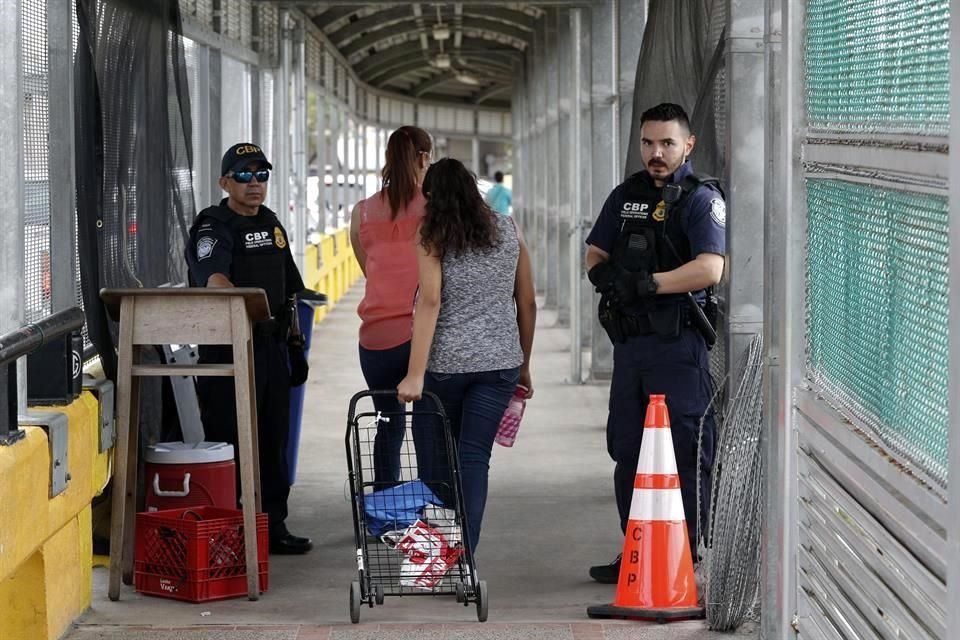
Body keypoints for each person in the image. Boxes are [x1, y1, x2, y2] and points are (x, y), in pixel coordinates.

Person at [584, 103, 725, 583]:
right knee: (629, 451)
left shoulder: (700, 199)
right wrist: (609, 277)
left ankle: (688, 558)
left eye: (666, 143)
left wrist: (649, 284)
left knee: (685, 450)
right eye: (648, 143)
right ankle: (638, 554)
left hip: (678, 345)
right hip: (632, 348)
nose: (656, 152)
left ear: (688, 145)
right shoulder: (627, 195)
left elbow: (710, 268)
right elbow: (595, 252)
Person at [397, 158, 537, 553]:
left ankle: (439, 551)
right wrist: (523, 363)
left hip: (445, 368)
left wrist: (415, 374)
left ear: (432, 198)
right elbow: (526, 302)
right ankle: (466, 558)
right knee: (474, 457)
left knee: (434, 460)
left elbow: (431, 301)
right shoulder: (509, 229)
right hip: (499, 366)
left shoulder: (432, 233)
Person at [185, 142, 312, 555]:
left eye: (261, 174)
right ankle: (230, 530)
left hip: (272, 346)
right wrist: (244, 307)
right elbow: (214, 279)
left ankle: (272, 526)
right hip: (229, 348)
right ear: (225, 182)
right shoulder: (213, 225)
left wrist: (294, 341)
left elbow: (291, 286)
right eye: (243, 174)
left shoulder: (272, 223)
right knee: (230, 435)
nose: (254, 183)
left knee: (273, 437)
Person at [350, 125, 433, 486]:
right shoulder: (434, 209)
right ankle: (436, 503)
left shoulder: (363, 212)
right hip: (422, 336)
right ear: (425, 158)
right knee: (429, 423)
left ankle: (384, 504)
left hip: (375, 339)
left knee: (387, 423)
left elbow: (365, 265)